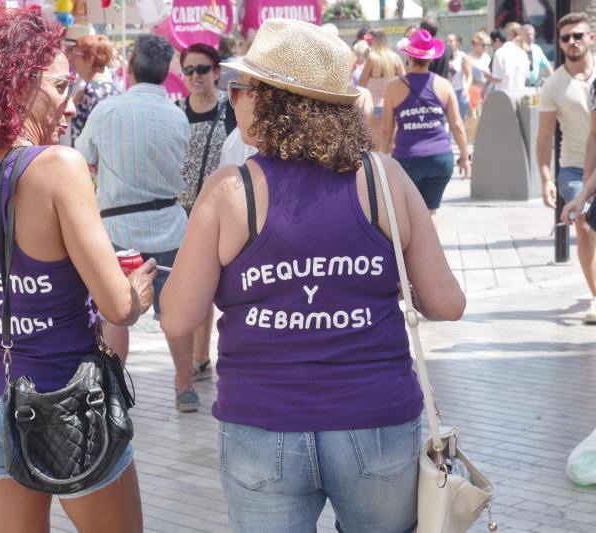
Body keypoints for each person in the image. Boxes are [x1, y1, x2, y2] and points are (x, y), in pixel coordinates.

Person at [160, 19, 465, 532]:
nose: (233, 99)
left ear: (277, 101)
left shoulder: (230, 190)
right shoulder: (384, 177)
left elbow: (178, 318)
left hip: (262, 424)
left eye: (243, 87)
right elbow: (447, 304)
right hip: (376, 419)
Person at [0, 11, 154, 533]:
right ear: (17, 85)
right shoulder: (58, 168)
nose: (71, 105)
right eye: (61, 87)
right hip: (70, 404)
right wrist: (136, 291)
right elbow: (116, 307)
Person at [74, 34, 199, 413]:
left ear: (129, 68)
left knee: (116, 314)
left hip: (116, 231)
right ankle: (184, 387)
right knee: (174, 313)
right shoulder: (177, 116)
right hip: (169, 225)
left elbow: (83, 158)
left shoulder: (107, 111)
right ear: (166, 73)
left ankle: (113, 390)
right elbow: (188, 174)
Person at [175, 43, 238, 384]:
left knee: (212, 284)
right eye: (189, 70)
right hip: (181, 209)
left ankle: (202, 355)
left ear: (216, 72)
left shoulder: (231, 109)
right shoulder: (176, 111)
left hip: (220, 210)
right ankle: (197, 357)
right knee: (193, 283)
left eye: (202, 69)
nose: (195, 76)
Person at [381, 29, 470, 222]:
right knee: (430, 213)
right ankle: (432, 251)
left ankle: (410, 252)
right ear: (430, 59)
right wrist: (464, 157)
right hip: (440, 159)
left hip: (407, 160)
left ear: (409, 57)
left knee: (407, 215)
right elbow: (457, 125)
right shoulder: (444, 85)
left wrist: (382, 160)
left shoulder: (393, 87)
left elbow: (387, 130)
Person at [547, 13, 596, 324]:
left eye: (578, 35)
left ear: (590, 37)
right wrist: (544, 178)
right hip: (574, 170)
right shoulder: (554, 84)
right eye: (566, 38)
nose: (572, 42)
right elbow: (543, 137)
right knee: (586, 225)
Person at [359, 29, 405, 149]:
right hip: (394, 103)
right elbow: (405, 81)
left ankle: (379, 166)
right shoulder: (395, 58)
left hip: (375, 104)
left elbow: (361, 82)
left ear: (374, 40)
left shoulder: (372, 58)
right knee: (391, 140)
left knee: (376, 140)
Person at [69, 35, 120, 142]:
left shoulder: (90, 92)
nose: (73, 59)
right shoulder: (112, 89)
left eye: (77, 53)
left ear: (90, 59)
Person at [489, 22, 530, 99]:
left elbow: (498, 78)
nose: (493, 47)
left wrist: (488, 76)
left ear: (497, 40)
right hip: (520, 96)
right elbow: (527, 76)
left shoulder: (499, 53)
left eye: (492, 44)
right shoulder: (522, 52)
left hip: (504, 96)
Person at [446, 34, 472, 119]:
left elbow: (469, 75)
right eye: (447, 41)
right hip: (447, 92)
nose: (448, 43)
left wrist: (466, 89)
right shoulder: (444, 57)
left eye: (450, 41)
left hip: (459, 92)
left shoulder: (463, 57)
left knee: (459, 120)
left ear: (457, 43)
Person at [523, 23, 553, 87]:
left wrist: (554, 80)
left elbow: (547, 65)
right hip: (521, 85)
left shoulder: (537, 49)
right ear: (522, 35)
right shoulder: (518, 50)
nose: (530, 37)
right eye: (528, 34)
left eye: (532, 34)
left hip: (533, 85)